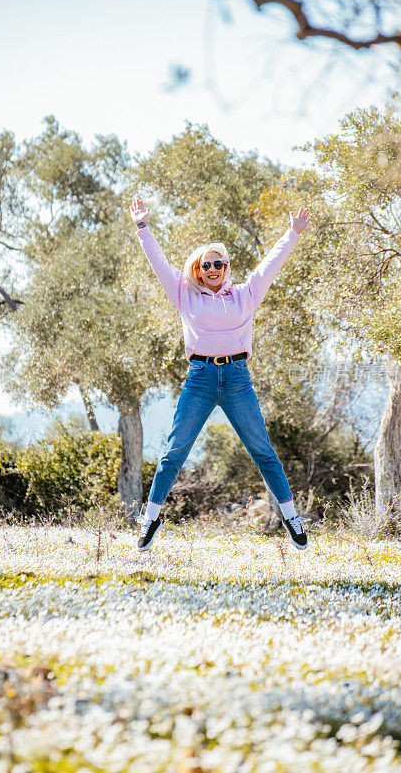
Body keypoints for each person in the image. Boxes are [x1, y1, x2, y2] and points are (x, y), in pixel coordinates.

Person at [129, 196, 311, 552]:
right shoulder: (185, 296)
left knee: (263, 450)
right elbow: (160, 265)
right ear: (197, 269)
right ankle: (150, 518)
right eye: (206, 264)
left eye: (219, 264)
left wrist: (292, 233)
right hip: (199, 379)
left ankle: (291, 517)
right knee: (174, 452)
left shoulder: (246, 295)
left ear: (227, 268)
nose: (213, 269)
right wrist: (142, 227)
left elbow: (269, 266)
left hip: (237, 379)